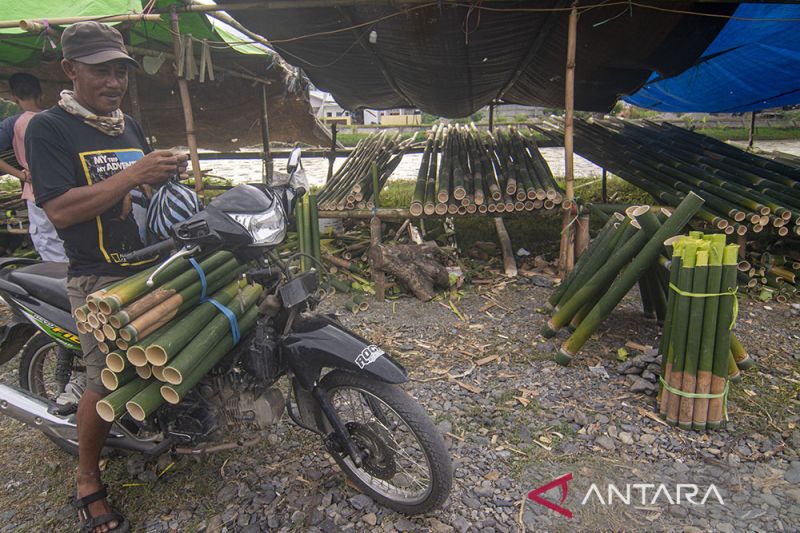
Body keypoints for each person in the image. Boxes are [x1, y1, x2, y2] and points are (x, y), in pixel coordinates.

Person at [26, 21, 188, 533]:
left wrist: (162, 178)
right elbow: (60, 211)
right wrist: (135, 174)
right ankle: (87, 479)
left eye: (119, 70)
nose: (113, 81)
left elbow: (138, 191)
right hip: (99, 281)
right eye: (100, 70)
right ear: (70, 69)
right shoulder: (49, 128)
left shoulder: (128, 126)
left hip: (148, 267)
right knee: (102, 381)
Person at [0, 73, 68, 261]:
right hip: (67, 188)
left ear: (14, 98)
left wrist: (21, 175)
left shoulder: (14, 123)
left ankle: (59, 285)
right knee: (68, 236)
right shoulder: (60, 118)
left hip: (37, 190)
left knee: (48, 242)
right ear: (41, 95)